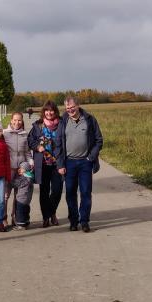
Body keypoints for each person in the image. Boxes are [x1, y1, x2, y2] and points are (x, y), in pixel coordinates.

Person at [57, 97, 103, 232]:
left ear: (78, 106)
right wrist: (60, 164)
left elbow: (98, 140)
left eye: (72, 107)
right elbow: (58, 143)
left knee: (85, 192)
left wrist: (91, 157)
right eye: (67, 108)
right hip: (69, 162)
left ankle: (84, 221)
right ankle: (73, 220)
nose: (70, 110)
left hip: (85, 163)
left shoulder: (89, 119)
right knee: (70, 193)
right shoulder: (63, 121)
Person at [27, 100, 63, 227]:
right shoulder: (38, 126)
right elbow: (30, 141)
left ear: (55, 111)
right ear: (44, 112)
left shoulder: (61, 124)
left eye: (52, 110)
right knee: (44, 192)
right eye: (47, 110)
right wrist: (37, 147)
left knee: (57, 190)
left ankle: (51, 212)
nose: (49, 112)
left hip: (57, 163)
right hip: (42, 164)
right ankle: (46, 217)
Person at [3, 111, 30, 225]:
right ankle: (3, 218)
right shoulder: (4, 134)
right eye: (15, 120)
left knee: (17, 195)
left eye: (19, 120)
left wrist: (27, 166)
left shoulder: (25, 134)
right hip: (8, 170)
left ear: (22, 121)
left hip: (20, 170)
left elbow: (28, 154)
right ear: (11, 120)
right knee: (5, 195)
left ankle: (14, 217)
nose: (17, 122)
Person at [10, 161, 34, 229]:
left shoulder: (24, 178)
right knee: (26, 211)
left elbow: (14, 184)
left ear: (26, 170)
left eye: (21, 168)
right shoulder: (30, 176)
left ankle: (21, 225)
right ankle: (26, 222)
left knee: (20, 212)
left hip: (21, 198)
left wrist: (10, 180)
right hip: (27, 199)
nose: (19, 170)